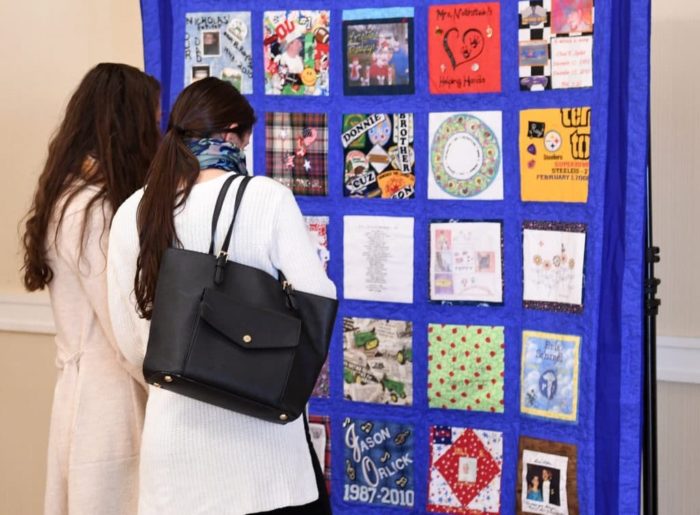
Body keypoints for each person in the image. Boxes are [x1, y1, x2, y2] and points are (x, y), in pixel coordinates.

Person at [107, 77, 335, 514]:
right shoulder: (266, 198)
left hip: (173, 456)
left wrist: (189, 369)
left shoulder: (134, 210)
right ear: (233, 132)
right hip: (265, 457)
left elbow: (129, 340)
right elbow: (316, 302)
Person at [21, 63, 161, 514]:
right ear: (131, 124)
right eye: (153, 121)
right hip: (108, 403)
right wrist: (170, 388)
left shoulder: (68, 196)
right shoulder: (93, 209)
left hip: (88, 396)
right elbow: (122, 325)